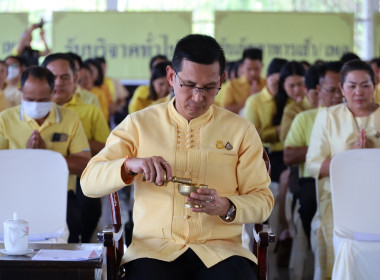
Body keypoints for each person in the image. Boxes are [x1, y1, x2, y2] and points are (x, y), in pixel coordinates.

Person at [81, 34, 273, 280]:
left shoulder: (240, 130)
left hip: (221, 251)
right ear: (171, 76)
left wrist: (226, 206)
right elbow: (89, 182)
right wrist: (130, 165)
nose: (198, 97)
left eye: (209, 87)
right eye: (189, 85)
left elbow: (263, 201)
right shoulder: (139, 124)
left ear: (222, 80)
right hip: (154, 250)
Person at [306, 59, 380, 279]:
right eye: (352, 86)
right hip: (339, 200)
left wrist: (371, 158)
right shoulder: (328, 117)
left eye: (365, 85)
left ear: (374, 85)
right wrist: (348, 160)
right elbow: (312, 165)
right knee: (335, 236)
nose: (359, 92)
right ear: (341, 88)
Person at [0, 66, 91, 243]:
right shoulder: (5, 119)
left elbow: (83, 164)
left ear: (53, 93)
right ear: (20, 91)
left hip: (60, 195)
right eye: (30, 99)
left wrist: (47, 157)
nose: (35, 104)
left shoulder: (69, 118)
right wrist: (26, 156)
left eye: (42, 100)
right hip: (15, 192)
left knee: (72, 227)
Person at [42, 53, 111, 243]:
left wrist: (77, 141)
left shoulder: (89, 109)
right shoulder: (29, 111)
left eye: (65, 77)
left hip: (81, 176)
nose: (58, 83)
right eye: (52, 77)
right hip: (42, 179)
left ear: (75, 79)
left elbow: (108, 148)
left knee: (87, 204)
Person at [221, 48, 266, 114]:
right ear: (242, 66)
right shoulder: (232, 85)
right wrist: (250, 99)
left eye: (256, 68)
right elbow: (226, 110)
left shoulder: (267, 84)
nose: (253, 73)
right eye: (249, 69)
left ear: (262, 66)